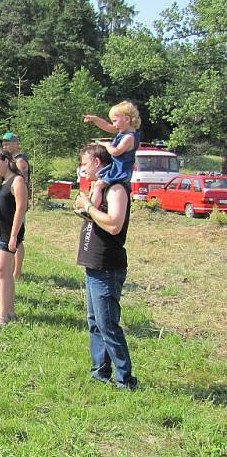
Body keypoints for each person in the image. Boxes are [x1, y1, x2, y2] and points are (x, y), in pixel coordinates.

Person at [74, 144, 138, 391]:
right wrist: (87, 202)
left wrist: (89, 207)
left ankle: (125, 381)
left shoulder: (117, 189)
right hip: (94, 264)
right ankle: (100, 372)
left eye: (85, 163)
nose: (82, 168)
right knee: (95, 322)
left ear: (98, 163)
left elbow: (114, 225)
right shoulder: (100, 187)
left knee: (108, 324)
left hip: (108, 266)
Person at [0, 149, 28, 328]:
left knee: (2, 272)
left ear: (6, 160)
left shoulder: (17, 180)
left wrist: (13, 236)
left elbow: (21, 209)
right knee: (5, 273)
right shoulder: (4, 181)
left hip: (8, 233)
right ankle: (10, 311)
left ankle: (2, 316)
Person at [82, 101, 141, 213]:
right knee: (97, 182)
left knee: (99, 185)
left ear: (127, 119)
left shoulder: (129, 137)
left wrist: (106, 144)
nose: (113, 125)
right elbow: (108, 127)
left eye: (115, 121)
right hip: (115, 167)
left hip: (120, 170)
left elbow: (115, 152)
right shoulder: (123, 131)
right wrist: (95, 119)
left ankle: (91, 210)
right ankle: (92, 206)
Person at [0, 132, 30, 278]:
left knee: (17, 236)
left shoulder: (19, 161)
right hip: (9, 203)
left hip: (17, 204)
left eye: (8, 142)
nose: (4, 145)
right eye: (3, 143)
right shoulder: (10, 160)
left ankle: (16, 272)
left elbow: (20, 183)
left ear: (16, 144)